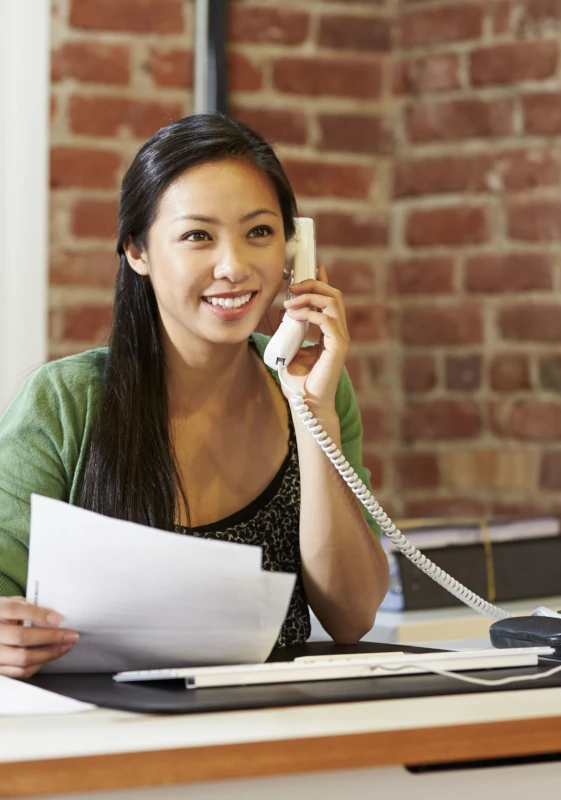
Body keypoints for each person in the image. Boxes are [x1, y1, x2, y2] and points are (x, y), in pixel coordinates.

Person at [0, 114, 389, 679]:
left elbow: (352, 616)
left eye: (259, 232)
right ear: (137, 251)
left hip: (278, 731)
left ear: (293, 245)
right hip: (106, 733)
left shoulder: (313, 388)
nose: (233, 267)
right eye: (197, 235)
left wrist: (311, 413)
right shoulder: (66, 401)